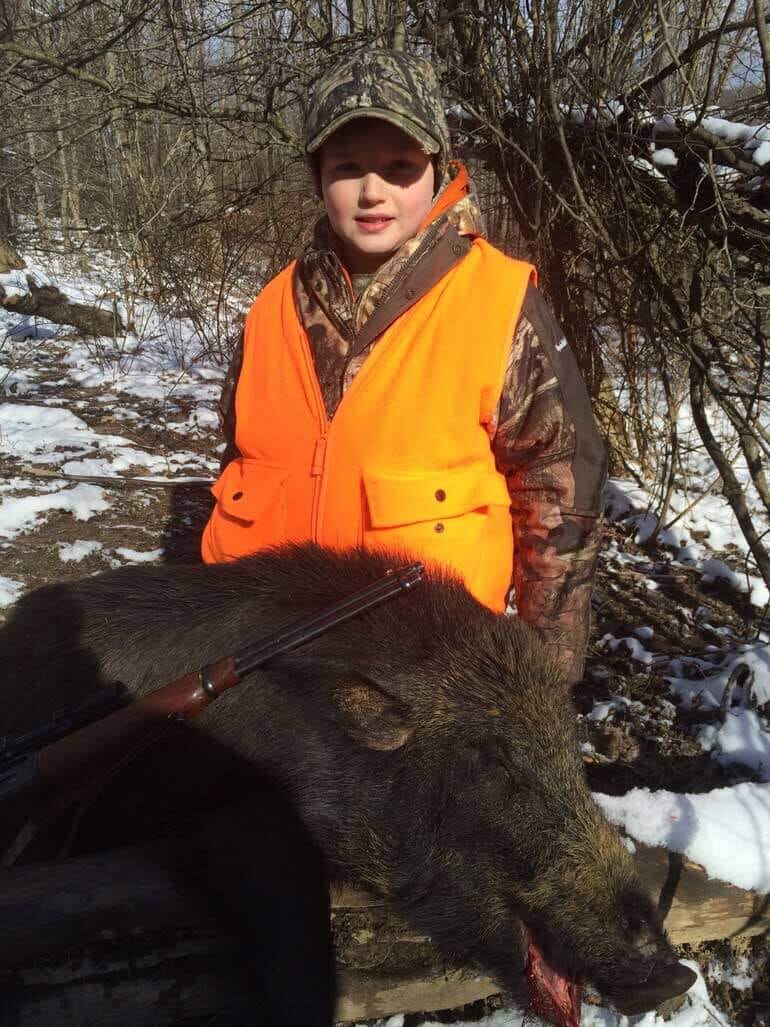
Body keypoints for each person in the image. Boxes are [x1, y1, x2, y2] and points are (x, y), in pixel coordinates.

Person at [201, 49, 607, 686]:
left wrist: (540, 681)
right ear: (318, 177)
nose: (372, 191)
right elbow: (240, 452)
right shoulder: (273, 304)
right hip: (264, 659)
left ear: (439, 171)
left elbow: (560, 498)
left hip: (428, 674)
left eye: (398, 166)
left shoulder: (498, 301)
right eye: (347, 167)